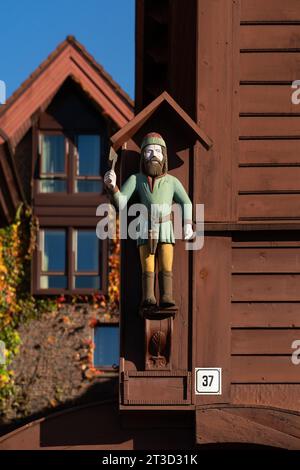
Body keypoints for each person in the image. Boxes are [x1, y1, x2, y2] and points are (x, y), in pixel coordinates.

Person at [104, 132, 193, 308]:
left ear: (164, 156)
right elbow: (121, 202)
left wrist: (188, 223)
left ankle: (167, 295)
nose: (153, 155)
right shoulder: (137, 179)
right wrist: (112, 187)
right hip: (145, 227)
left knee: (166, 262)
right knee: (148, 263)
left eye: (158, 151)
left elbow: (186, 202)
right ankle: (148, 297)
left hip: (166, 226)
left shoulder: (172, 182)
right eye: (149, 151)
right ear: (143, 156)